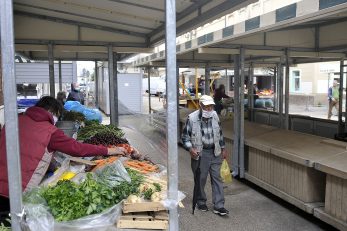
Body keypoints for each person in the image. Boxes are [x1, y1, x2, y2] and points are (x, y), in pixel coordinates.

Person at [0, 96, 126, 209]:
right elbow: (77, 148)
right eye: (57, 115)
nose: (56, 119)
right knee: (12, 222)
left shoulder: (13, 122)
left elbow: (27, 150)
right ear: (51, 112)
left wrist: (53, 164)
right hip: (17, 191)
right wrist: (109, 150)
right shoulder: (50, 131)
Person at [181, 95, 229, 216]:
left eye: (211, 107)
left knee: (217, 178)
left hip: (215, 151)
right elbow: (185, 137)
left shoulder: (215, 115)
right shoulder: (192, 118)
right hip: (200, 153)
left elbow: (220, 133)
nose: (209, 109)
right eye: (206, 107)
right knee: (201, 178)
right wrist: (190, 148)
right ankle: (200, 201)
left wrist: (223, 148)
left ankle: (219, 205)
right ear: (200, 106)